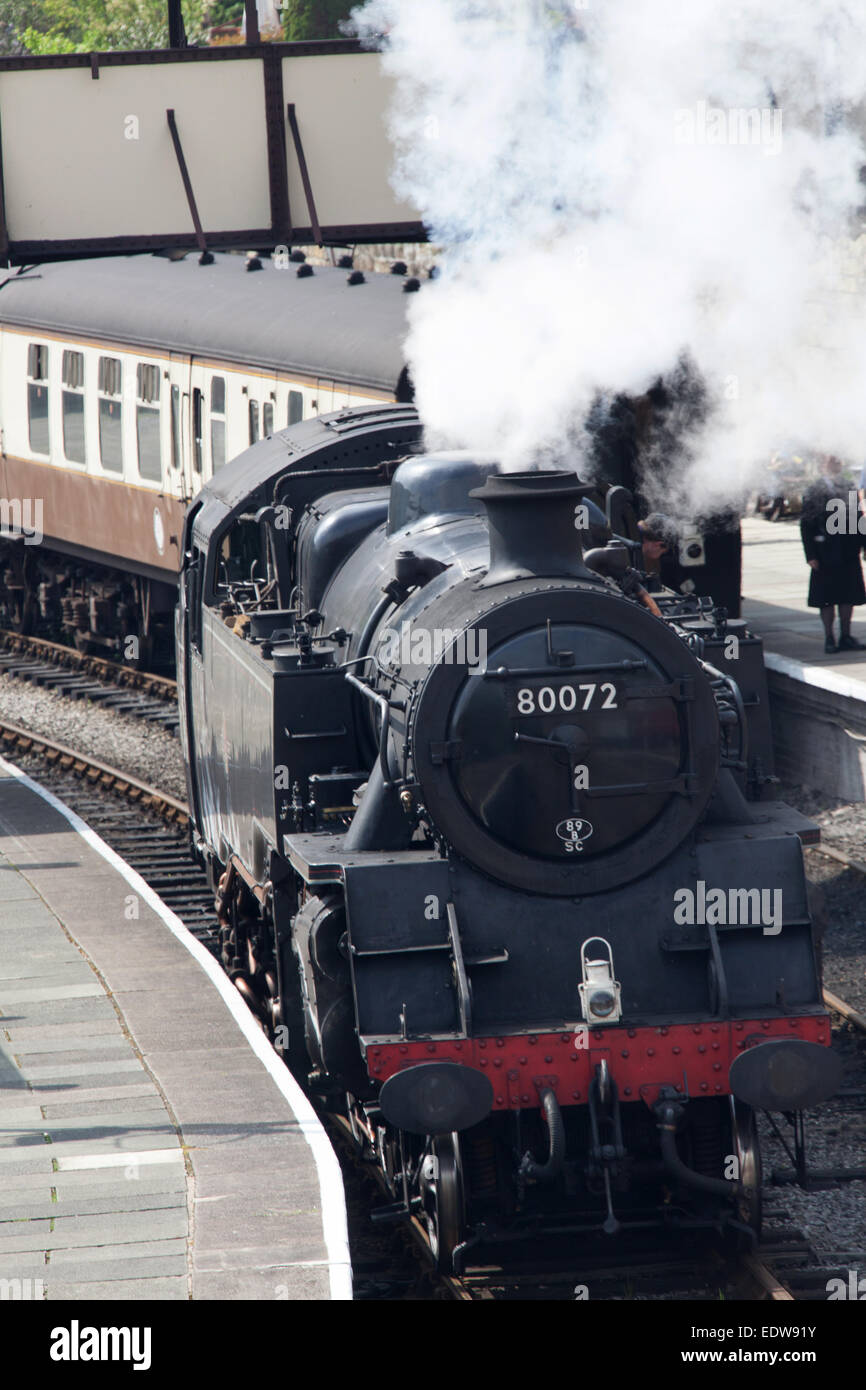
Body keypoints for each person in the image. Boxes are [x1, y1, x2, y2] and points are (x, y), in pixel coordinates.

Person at [800, 455, 866, 653]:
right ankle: (829, 637)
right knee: (826, 597)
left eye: (838, 461)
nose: (836, 464)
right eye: (832, 461)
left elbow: (857, 518)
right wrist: (810, 555)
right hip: (824, 551)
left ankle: (846, 635)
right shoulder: (814, 490)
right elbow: (806, 524)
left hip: (847, 549)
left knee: (848, 596)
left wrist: (863, 545)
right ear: (823, 465)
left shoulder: (848, 486)